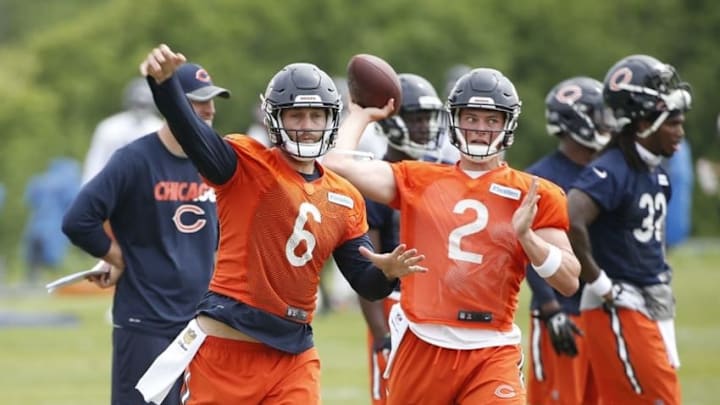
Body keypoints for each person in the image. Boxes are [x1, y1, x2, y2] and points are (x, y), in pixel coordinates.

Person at [135, 44, 427, 405]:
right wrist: (165, 88)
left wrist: (386, 272)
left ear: (330, 119)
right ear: (276, 118)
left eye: (315, 116)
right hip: (228, 347)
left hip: (294, 355)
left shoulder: (345, 196)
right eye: (296, 115)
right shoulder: (245, 164)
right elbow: (194, 135)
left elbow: (365, 283)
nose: (306, 126)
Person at [324, 67, 580, 404]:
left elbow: (569, 281)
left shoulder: (536, 193)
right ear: (455, 121)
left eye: (492, 120)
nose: (480, 129)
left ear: (508, 125)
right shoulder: (421, 178)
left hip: (492, 346)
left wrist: (528, 239)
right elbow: (334, 163)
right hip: (423, 342)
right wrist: (360, 115)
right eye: (471, 118)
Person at [62, 62, 230, 405]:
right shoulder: (134, 160)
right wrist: (116, 257)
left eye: (213, 100)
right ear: (173, 106)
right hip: (145, 323)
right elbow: (79, 220)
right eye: (199, 101)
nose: (210, 109)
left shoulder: (216, 162)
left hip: (200, 325)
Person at [567, 54, 691, 404]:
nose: (680, 132)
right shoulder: (611, 169)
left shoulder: (656, 172)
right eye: (672, 123)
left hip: (653, 297)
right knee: (657, 399)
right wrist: (601, 282)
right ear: (641, 124)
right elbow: (571, 217)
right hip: (619, 300)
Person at [359, 72, 449, 404]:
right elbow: (366, 269)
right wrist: (381, 334)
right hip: (395, 306)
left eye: (428, 118)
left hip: (438, 308)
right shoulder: (374, 183)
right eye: (416, 118)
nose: (425, 127)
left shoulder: (440, 177)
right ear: (393, 123)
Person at [525, 77, 613, 405]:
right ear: (579, 120)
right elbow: (528, 248)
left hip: (601, 308)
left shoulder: (608, 170)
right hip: (562, 311)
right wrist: (550, 307)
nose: (607, 122)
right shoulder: (541, 177)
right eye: (599, 114)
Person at [82, 77, 164, 184]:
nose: (141, 109)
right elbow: (95, 161)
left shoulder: (158, 129)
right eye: (138, 103)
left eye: (145, 105)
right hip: (110, 185)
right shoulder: (109, 127)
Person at [23, 157, 81, 283]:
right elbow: (75, 203)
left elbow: (30, 199)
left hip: (37, 223)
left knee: (34, 256)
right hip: (55, 224)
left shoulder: (41, 180)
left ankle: (33, 282)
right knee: (55, 255)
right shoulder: (68, 182)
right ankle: (57, 282)